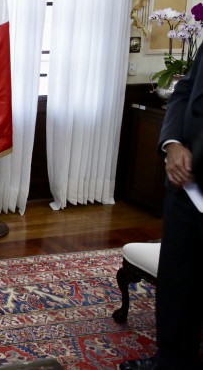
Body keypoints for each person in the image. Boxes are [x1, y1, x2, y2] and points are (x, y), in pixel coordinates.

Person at [120, 51, 203, 370]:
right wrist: (172, 142)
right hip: (186, 189)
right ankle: (170, 361)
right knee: (178, 282)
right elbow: (185, 90)